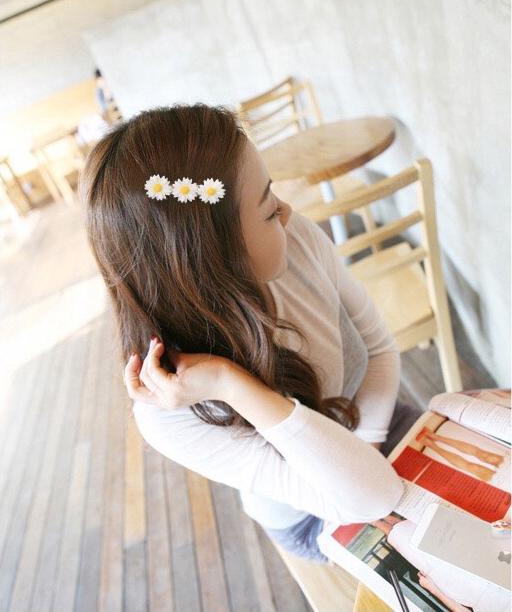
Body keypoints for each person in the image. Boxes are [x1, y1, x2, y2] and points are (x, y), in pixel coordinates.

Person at [78, 103, 423, 564]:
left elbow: (380, 349)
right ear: (211, 253)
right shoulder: (168, 411)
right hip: (312, 514)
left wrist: (366, 445)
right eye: (266, 207)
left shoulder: (297, 240)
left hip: (375, 421)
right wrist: (230, 384)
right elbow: (369, 498)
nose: (286, 211)